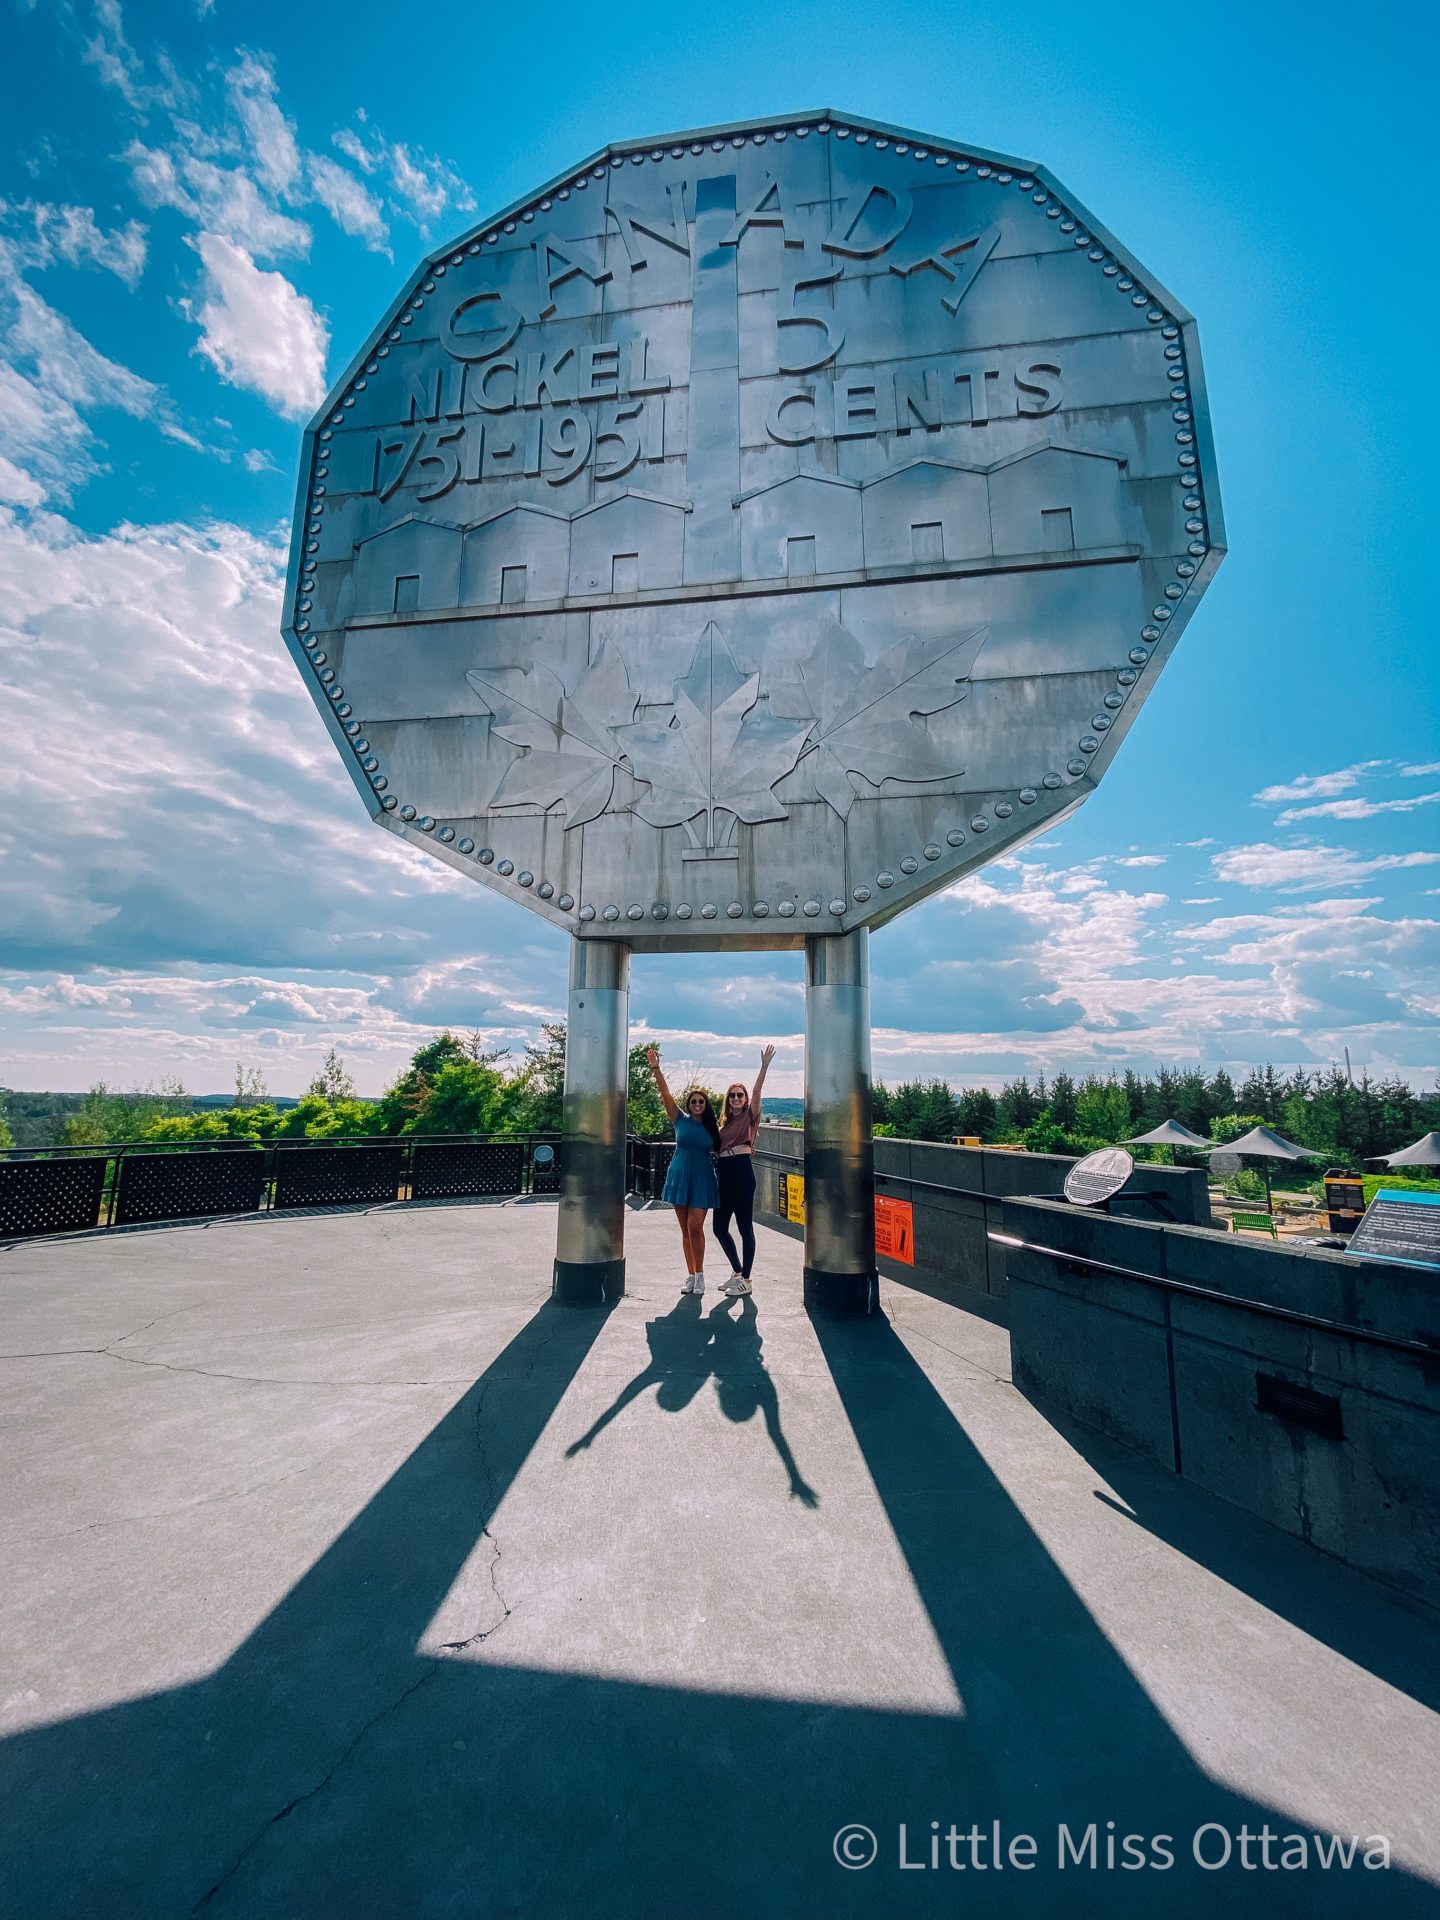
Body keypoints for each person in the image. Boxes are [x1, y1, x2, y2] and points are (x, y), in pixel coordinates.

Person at [645, 1046, 721, 1294]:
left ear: (705, 1104)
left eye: (701, 1101)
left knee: (695, 1226)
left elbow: (736, 1133)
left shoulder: (713, 1128)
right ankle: (690, 1274)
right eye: (693, 1101)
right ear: (688, 1105)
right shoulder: (679, 1119)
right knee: (684, 1228)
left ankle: (700, 1274)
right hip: (679, 1174)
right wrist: (656, 1068)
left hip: (702, 1178)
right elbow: (665, 1094)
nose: (697, 1104)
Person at [712, 1044, 774, 1297]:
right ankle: (737, 1272)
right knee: (718, 1227)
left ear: (746, 1099)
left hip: (741, 1174)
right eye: (732, 1095)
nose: (736, 1098)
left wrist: (764, 1066)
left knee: (744, 1227)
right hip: (724, 1175)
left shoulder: (750, 1117)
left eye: (740, 1095)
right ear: (727, 1100)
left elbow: (758, 1090)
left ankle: (746, 1279)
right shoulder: (723, 1123)